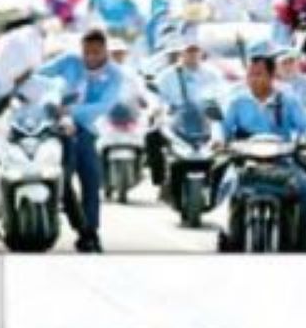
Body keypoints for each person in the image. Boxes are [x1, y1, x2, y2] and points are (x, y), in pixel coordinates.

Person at [218, 47, 306, 249]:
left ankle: (301, 236)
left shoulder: (288, 100)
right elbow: (223, 127)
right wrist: (218, 140)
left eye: (259, 74)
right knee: (224, 185)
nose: (253, 79)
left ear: (272, 76)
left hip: (282, 161)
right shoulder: (237, 101)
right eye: (250, 75)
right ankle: (227, 234)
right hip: (245, 160)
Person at [39, 28, 128, 250]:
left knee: (91, 178)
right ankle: (70, 223)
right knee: (62, 176)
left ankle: (90, 231)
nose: (90, 57)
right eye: (86, 52)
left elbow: (103, 106)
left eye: (96, 52)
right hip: (52, 123)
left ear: (105, 50)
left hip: (84, 127)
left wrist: (69, 112)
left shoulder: (116, 74)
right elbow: (40, 74)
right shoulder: (70, 60)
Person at [149, 34, 222, 186]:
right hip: (175, 119)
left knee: (225, 143)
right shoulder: (167, 75)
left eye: (195, 51)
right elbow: (157, 97)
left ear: (201, 53)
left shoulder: (213, 75)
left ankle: (218, 184)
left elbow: (221, 97)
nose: (193, 55)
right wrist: (157, 110)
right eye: (189, 51)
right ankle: (160, 179)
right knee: (152, 135)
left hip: (204, 120)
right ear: (181, 53)